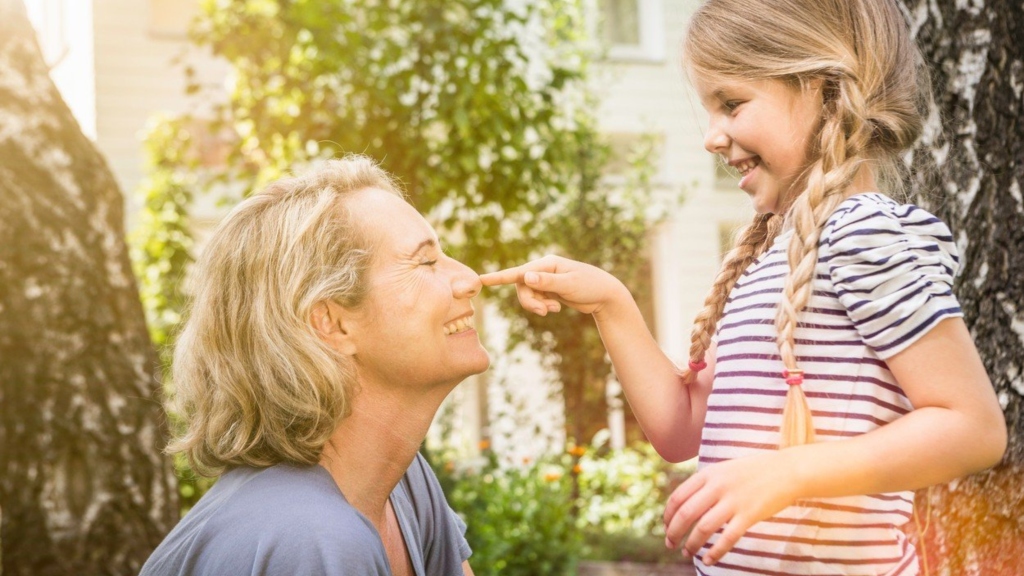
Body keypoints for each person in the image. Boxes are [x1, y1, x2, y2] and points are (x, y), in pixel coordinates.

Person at [480, 0, 1007, 574]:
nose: (711, 137)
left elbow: (973, 428)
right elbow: (682, 432)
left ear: (823, 91)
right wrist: (612, 302)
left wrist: (789, 471)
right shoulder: (765, 260)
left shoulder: (863, 231)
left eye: (731, 104)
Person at [140, 156, 484, 576]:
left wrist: (593, 310)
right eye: (425, 262)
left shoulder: (404, 486)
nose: (470, 279)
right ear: (332, 323)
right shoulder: (311, 540)